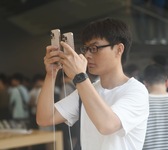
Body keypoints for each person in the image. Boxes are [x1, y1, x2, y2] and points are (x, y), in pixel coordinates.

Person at [36, 17, 149, 150]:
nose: (87, 55)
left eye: (94, 48)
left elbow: (107, 125)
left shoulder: (136, 90)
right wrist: (51, 74)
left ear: (119, 49)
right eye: (86, 49)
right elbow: (45, 118)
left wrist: (80, 77)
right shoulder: (88, 89)